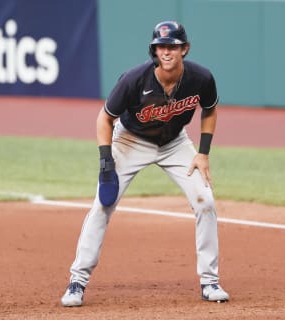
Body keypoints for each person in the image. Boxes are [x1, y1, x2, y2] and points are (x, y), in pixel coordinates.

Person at [61, 20, 229, 307]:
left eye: (173, 46)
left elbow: (210, 109)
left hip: (175, 143)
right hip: (130, 141)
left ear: (184, 49)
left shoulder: (201, 78)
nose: (167, 51)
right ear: (154, 50)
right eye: (161, 46)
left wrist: (203, 153)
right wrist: (106, 161)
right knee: (103, 204)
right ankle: (77, 281)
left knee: (206, 201)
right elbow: (104, 118)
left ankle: (209, 281)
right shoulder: (134, 79)